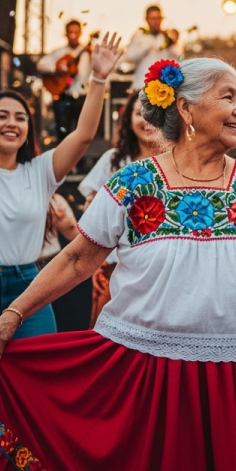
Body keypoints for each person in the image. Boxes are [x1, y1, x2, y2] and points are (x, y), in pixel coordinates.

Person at [0, 57, 236, 471]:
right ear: (185, 109)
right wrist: (14, 313)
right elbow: (77, 259)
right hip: (145, 375)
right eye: (228, 97)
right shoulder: (133, 183)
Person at [0, 2, 121, 471]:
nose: (12, 123)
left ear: (28, 129)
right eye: (1, 115)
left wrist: (98, 78)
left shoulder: (40, 173)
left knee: (35, 414)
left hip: (28, 296)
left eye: (20, 117)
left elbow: (84, 135)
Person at [79, 90, 166, 325]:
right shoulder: (113, 160)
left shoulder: (177, 162)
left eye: (154, 113)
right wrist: (95, 265)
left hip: (162, 272)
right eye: (139, 113)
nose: (146, 120)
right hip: (114, 270)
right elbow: (91, 215)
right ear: (128, 119)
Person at [37, 19, 91, 138]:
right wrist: (56, 69)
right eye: (70, 32)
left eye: (76, 32)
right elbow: (40, 65)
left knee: (81, 135)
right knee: (63, 133)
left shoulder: (87, 53)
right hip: (63, 96)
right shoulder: (58, 53)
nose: (73, 35)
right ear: (66, 34)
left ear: (80, 33)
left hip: (82, 97)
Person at [123, 5, 181, 89]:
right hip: (142, 84)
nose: (156, 22)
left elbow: (179, 56)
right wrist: (147, 46)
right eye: (153, 18)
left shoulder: (166, 37)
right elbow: (129, 56)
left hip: (164, 86)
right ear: (146, 19)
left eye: (159, 18)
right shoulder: (139, 36)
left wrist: (171, 42)